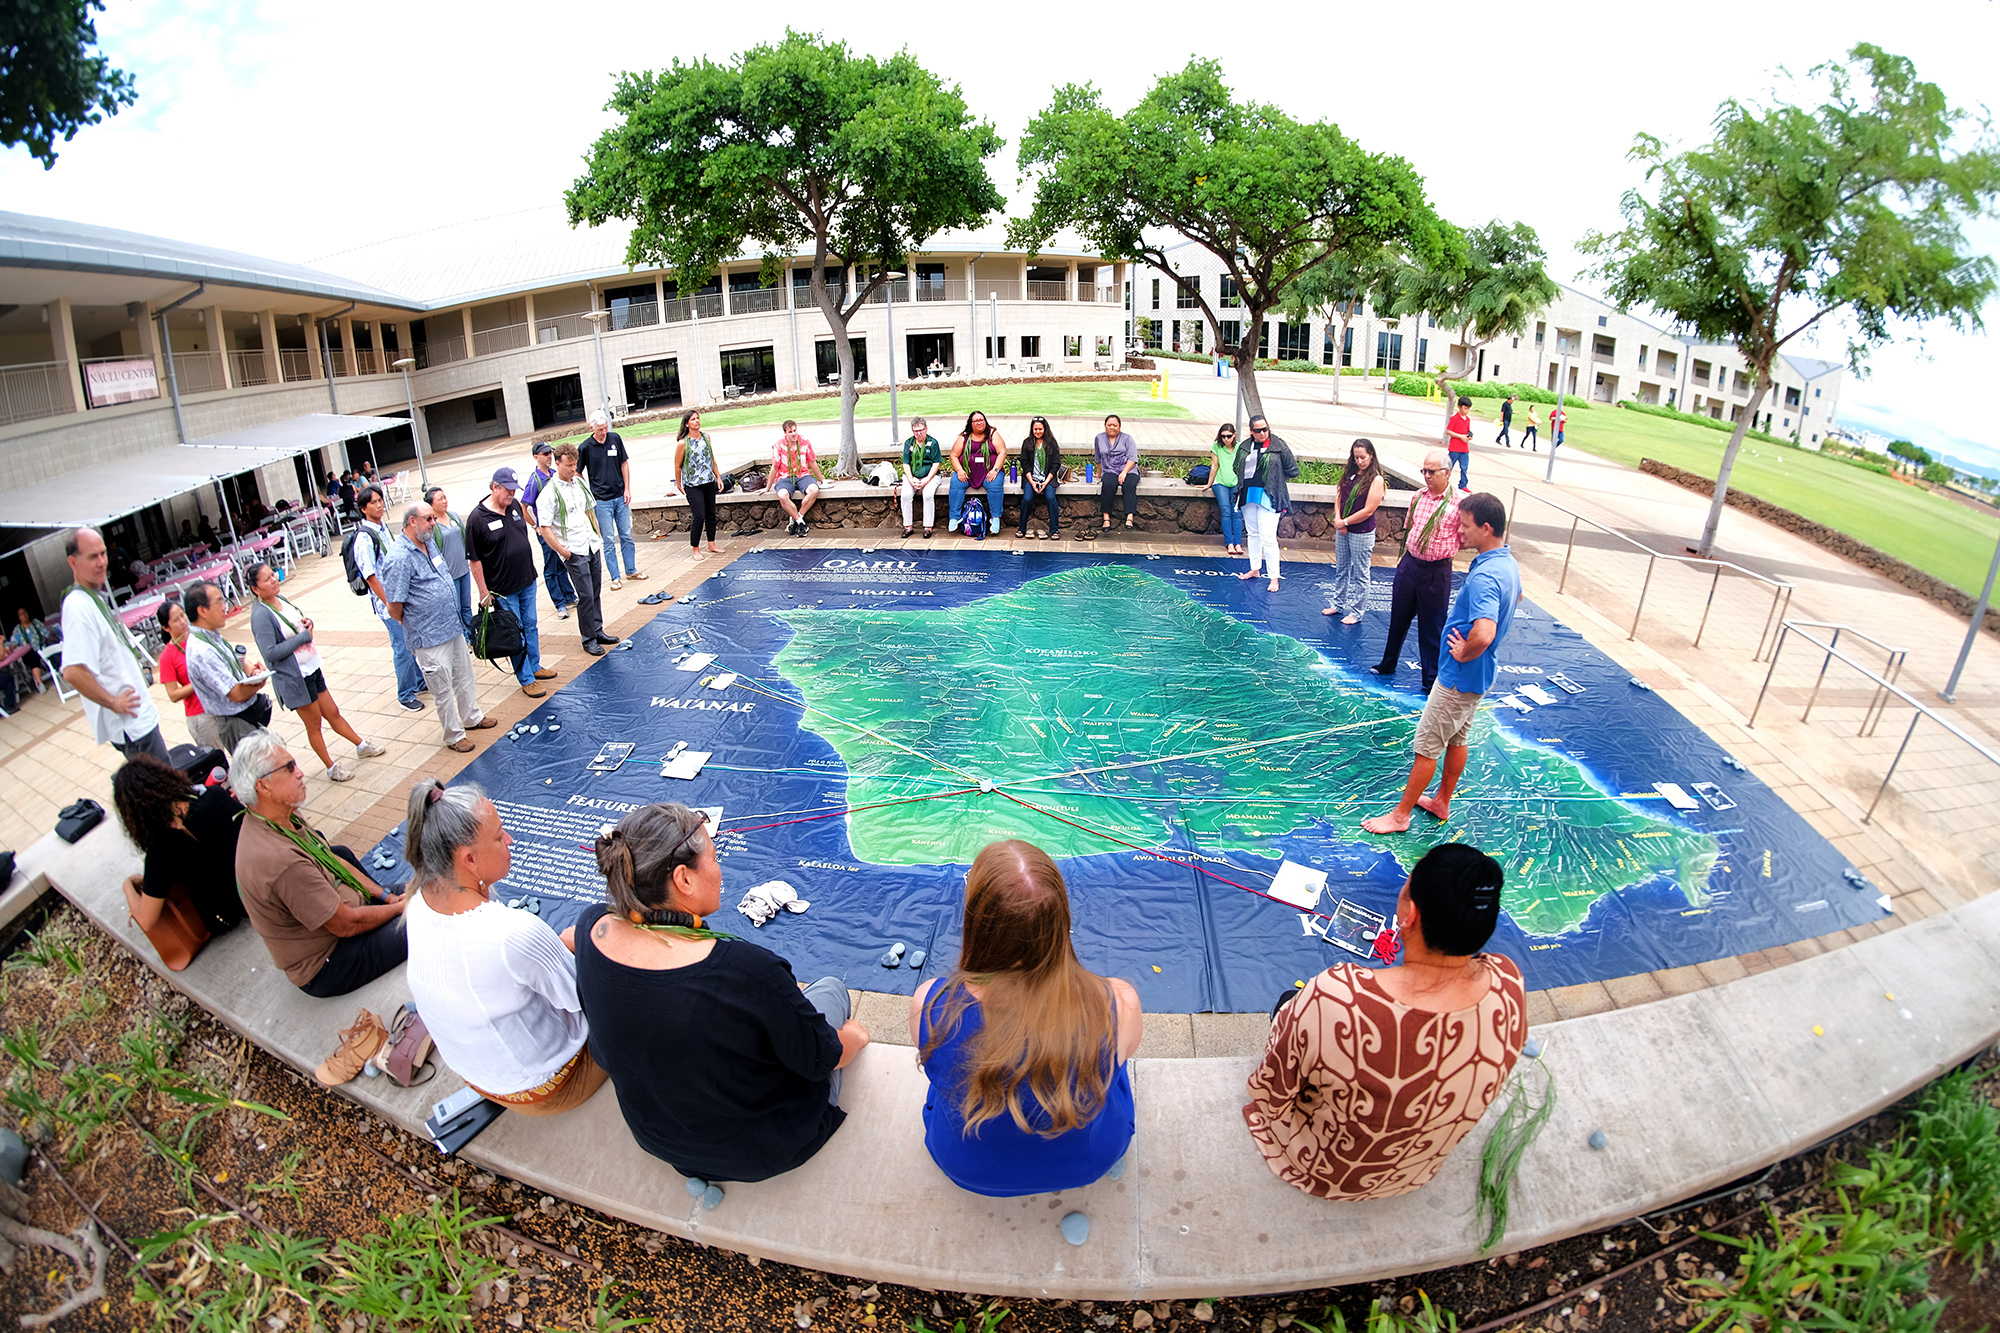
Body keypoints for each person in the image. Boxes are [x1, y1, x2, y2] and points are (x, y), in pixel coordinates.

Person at [573, 802, 869, 1205]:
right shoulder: (747, 972)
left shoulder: (593, 928)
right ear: (684, 880)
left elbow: (573, 939)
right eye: (713, 857)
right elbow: (823, 1058)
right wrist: (854, 1037)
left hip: (658, 1137)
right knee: (832, 990)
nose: (719, 869)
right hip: (762, 1148)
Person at [1244, 842, 1526, 1201]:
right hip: (1416, 1171)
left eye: (1405, 889)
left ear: (1410, 916)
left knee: (1289, 1005)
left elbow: (1268, 1092)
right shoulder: (1508, 979)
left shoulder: (1338, 995)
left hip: (1326, 1170)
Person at [911, 840, 1140, 1197]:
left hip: (967, 1167)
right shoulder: (1118, 1002)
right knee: (1110, 1063)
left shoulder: (931, 1002)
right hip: (1087, 1161)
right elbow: (1123, 1054)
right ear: (1061, 918)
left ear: (977, 922)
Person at [402, 778, 606, 1116]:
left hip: (479, 1076)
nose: (509, 840)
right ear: (468, 859)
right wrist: (576, 944)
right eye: (499, 836)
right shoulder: (512, 933)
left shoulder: (418, 903)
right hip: (550, 1087)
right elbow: (585, 997)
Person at [1363, 493, 1521, 835]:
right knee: (1457, 739)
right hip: (1478, 677)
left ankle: (1401, 815)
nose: (1459, 532)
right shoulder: (1506, 563)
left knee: (1427, 745)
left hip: (1458, 678)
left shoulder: (1485, 578)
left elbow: (1484, 632)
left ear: (1487, 527)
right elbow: (1517, 597)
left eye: (1465, 526)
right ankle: (1442, 801)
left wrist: (1464, 651)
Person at [232, 730, 407, 997]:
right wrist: (399, 909)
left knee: (435, 890)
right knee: (435, 913)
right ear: (263, 786)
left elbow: (332, 858)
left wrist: (385, 897)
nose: (300, 772)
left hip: (347, 917)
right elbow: (346, 925)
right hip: (330, 961)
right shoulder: (279, 860)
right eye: (289, 768)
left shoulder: (281, 813)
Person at [248, 562, 383, 781]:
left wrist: (307, 624)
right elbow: (270, 652)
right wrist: (302, 637)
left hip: (311, 667)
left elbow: (294, 625)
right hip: (295, 678)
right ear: (256, 589)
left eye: (273, 574)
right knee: (315, 724)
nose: (274, 579)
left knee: (333, 712)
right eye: (267, 579)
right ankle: (331, 767)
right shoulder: (261, 615)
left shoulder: (279, 599)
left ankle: (361, 745)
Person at [383, 505, 495, 752]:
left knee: (464, 677)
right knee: (442, 689)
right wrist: (416, 621)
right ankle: (454, 736)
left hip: (451, 627)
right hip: (428, 637)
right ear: (412, 521)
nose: (433, 523)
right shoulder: (399, 557)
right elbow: (394, 606)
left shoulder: (428, 542)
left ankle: (472, 718)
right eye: (428, 519)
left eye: (433, 518)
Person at [59, 527, 168, 762]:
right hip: (132, 726)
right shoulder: (77, 606)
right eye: (92, 557)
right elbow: (72, 671)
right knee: (167, 791)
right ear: (73, 562)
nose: (101, 562)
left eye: (102, 554)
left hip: (139, 720)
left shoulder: (91, 597)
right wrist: (112, 702)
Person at [112, 752, 247, 938]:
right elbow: (255, 826)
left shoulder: (158, 854)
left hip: (225, 915)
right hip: (258, 885)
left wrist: (128, 884)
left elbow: (146, 920)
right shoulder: (214, 797)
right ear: (166, 778)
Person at [1369, 450, 1463, 695]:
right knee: (1398, 617)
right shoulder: (1418, 496)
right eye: (1424, 471)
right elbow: (1409, 526)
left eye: (1432, 472)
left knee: (1431, 628)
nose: (1427, 476)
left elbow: (1463, 538)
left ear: (1447, 473)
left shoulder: (1459, 504)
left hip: (1436, 571)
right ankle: (1387, 663)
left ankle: (1431, 679)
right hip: (1410, 565)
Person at [465, 468, 555, 699]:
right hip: (503, 588)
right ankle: (525, 678)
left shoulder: (514, 505)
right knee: (516, 634)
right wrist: (484, 592)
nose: (512, 494)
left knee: (531, 625)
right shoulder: (477, 519)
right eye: (507, 490)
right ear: (495, 487)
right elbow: (474, 561)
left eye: (514, 490)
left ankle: (534, 666)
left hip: (526, 579)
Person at [534, 444, 618, 657]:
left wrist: (596, 536)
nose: (573, 469)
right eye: (569, 466)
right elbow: (545, 528)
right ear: (558, 463)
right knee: (586, 594)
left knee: (596, 591)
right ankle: (588, 638)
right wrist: (564, 551)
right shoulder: (549, 493)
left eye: (574, 465)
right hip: (574, 550)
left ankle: (598, 630)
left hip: (590, 545)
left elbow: (589, 509)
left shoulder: (579, 483)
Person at [353, 486, 425, 713]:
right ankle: (405, 693)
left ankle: (419, 682)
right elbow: (371, 577)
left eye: (380, 500)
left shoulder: (383, 528)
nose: (379, 505)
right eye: (373, 502)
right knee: (402, 647)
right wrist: (390, 604)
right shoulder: (364, 537)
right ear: (364, 509)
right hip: (389, 604)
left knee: (411, 641)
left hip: (400, 598)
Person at [180, 581, 269, 756]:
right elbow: (235, 694)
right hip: (236, 723)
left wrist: (250, 672)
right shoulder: (201, 650)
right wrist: (259, 682)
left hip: (243, 717)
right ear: (202, 610)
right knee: (260, 773)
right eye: (219, 602)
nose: (224, 607)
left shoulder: (211, 636)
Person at [1322, 439, 1387, 626]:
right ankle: (1338, 603)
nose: (1359, 461)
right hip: (1343, 530)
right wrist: (1338, 520)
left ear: (1371, 455)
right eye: (1356, 457)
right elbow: (1339, 496)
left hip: (1361, 532)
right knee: (1341, 568)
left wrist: (1346, 522)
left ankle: (1357, 612)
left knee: (1360, 573)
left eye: (1363, 457)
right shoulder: (1350, 473)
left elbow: (1368, 510)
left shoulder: (1376, 479)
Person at [1234, 415, 1300, 592]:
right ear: (1251, 431)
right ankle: (1255, 568)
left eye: (1265, 429)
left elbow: (1293, 469)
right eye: (1258, 430)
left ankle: (1274, 578)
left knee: (1268, 537)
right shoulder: (1245, 447)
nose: (1263, 433)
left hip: (1269, 496)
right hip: (1248, 495)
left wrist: (1276, 480)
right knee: (1253, 533)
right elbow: (1236, 467)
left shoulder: (1278, 445)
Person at [579, 411, 644, 588]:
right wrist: (589, 493)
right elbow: (578, 472)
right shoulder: (585, 447)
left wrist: (627, 488)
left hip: (620, 496)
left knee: (626, 536)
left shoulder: (615, 439)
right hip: (601, 500)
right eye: (600, 429)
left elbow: (624, 463)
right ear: (592, 428)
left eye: (606, 428)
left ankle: (631, 570)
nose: (603, 432)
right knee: (608, 540)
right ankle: (615, 577)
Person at [519, 443, 579, 621]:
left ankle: (569, 596)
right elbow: (524, 507)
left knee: (562, 563)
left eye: (550, 453)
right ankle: (559, 602)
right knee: (551, 567)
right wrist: (535, 526)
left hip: (559, 529)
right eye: (545, 454)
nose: (549, 456)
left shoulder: (554, 475)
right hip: (547, 532)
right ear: (536, 457)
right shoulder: (534, 481)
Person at [154, 601, 218, 752]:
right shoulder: (167, 657)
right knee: (218, 762)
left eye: (182, 615)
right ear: (165, 627)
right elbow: (173, 694)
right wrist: (197, 681)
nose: (183, 622)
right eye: (176, 620)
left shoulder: (200, 636)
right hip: (200, 714)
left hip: (221, 702)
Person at [671, 409, 724, 557]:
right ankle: (695, 548)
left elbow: (711, 459)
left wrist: (718, 477)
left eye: (698, 418)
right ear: (687, 423)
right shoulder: (683, 443)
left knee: (711, 514)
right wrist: (679, 484)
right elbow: (677, 465)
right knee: (699, 516)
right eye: (693, 419)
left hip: (708, 481)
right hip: (693, 484)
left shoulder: (706, 437)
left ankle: (711, 544)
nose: (697, 421)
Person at [424, 486, 473, 632]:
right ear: (431, 505)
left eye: (445, 497)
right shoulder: (431, 525)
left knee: (466, 606)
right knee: (456, 608)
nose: (445, 501)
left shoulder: (454, 516)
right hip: (450, 575)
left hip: (464, 570)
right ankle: (462, 637)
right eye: (440, 499)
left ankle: (472, 636)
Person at [949, 411, 1005, 536]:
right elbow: (953, 455)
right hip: (968, 472)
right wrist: (959, 470)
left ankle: (995, 518)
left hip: (989, 472)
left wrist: (995, 470)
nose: (979, 422)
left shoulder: (992, 434)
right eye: (976, 421)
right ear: (971, 423)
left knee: (994, 485)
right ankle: (954, 517)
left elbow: (1002, 452)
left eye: (982, 420)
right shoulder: (964, 437)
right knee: (956, 483)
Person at [770, 420, 826, 537]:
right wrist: (767, 487)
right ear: (785, 433)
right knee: (782, 495)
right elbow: (775, 467)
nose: (794, 434)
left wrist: (822, 480)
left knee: (813, 490)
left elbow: (812, 461)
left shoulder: (804, 442)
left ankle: (797, 517)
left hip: (803, 475)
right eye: (790, 432)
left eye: (795, 430)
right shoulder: (778, 445)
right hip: (785, 476)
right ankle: (800, 523)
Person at [898, 416, 945, 539]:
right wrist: (910, 478)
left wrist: (926, 480)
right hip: (913, 476)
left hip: (930, 476)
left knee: (928, 494)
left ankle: (928, 527)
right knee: (906, 495)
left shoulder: (933, 443)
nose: (919, 433)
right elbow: (906, 463)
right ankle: (908, 527)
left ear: (926, 429)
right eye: (916, 431)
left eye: (921, 430)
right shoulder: (909, 443)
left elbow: (936, 463)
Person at [1017, 417, 1062, 539]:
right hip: (1031, 478)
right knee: (1027, 499)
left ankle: (1054, 530)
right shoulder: (1027, 443)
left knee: (1050, 498)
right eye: (1035, 429)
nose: (1038, 431)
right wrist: (1032, 482)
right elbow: (1024, 463)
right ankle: (1021, 528)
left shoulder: (1051, 443)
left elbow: (1056, 464)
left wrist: (1046, 482)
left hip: (1048, 478)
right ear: (1032, 429)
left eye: (1040, 429)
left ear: (1045, 429)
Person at [1094, 414, 1139, 531]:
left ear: (1119, 427)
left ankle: (1130, 517)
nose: (1112, 427)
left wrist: (1124, 472)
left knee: (1129, 485)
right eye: (1109, 425)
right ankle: (1106, 518)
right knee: (1108, 484)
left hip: (1128, 469)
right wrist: (1100, 473)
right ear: (1105, 426)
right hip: (1109, 469)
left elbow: (1132, 459)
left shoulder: (1127, 438)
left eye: (1115, 425)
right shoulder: (1099, 438)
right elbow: (1099, 458)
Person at [1209, 424, 1244, 555]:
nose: (1226, 439)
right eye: (1223, 436)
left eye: (1229, 436)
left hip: (1236, 483)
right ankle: (1229, 543)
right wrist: (1209, 483)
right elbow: (1214, 466)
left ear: (1234, 435)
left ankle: (1238, 544)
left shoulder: (1240, 448)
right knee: (1225, 511)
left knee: (1236, 512)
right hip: (1220, 483)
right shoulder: (1216, 446)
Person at [9, 608, 57, 696]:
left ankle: (57, 671)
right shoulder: (18, 629)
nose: (24, 615)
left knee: (49, 649)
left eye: (25, 612)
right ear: (19, 617)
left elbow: (45, 632)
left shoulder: (35, 622)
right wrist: (12, 646)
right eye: (21, 614)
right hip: (29, 653)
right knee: (33, 657)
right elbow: (13, 642)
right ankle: (40, 683)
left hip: (41, 648)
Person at [1445, 395, 1473, 491]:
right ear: (1460, 407)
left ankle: (1463, 485)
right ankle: (1444, 482)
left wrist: (1469, 437)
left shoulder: (1468, 419)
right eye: (1465, 408)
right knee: (1449, 466)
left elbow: (1467, 431)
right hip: (1454, 448)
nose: (1467, 411)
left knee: (1464, 468)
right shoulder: (1454, 418)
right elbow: (1448, 431)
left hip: (1464, 448)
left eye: (1468, 409)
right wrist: (1460, 436)